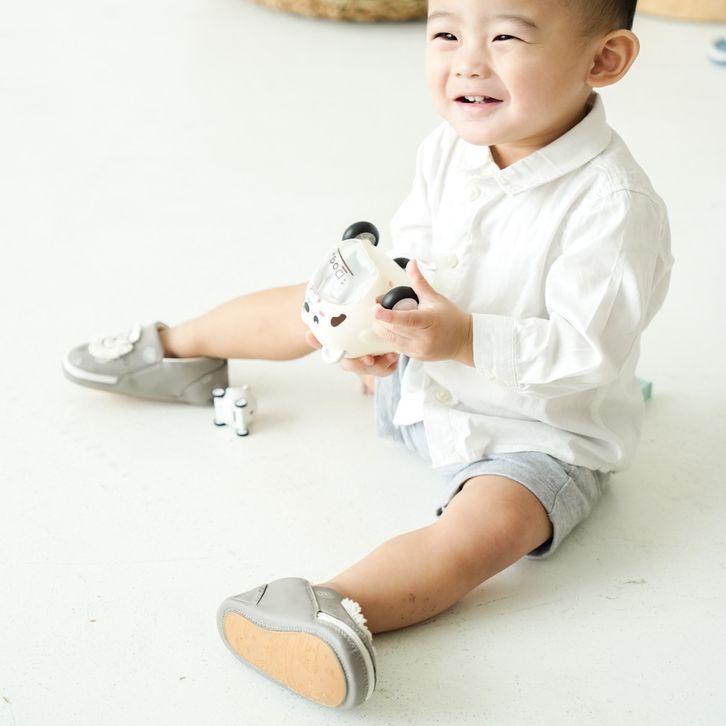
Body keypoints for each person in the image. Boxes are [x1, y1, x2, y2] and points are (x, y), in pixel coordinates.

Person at [62, 0, 673, 710]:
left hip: (534, 433)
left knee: (486, 531)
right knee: (312, 302)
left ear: (604, 60)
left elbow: (588, 351)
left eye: (505, 36)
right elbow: (411, 253)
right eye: (447, 33)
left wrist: (463, 340)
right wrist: (376, 327)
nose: (467, 63)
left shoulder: (614, 205)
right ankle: (179, 348)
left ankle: (326, 609)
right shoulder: (450, 146)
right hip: (426, 370)